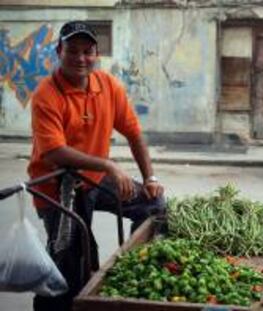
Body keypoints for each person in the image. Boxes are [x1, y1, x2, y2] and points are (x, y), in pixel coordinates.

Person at [28, 21, 165, 311]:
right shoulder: (46, 94)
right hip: (55, 187)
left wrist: (149, 177)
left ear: (96, 53)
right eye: (73, 51)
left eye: (87, 51)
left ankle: (134, 268)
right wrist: (109, 164)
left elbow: (134, 132)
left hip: (94, 179)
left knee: (153, 204)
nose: (81, 58)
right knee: (72, 264)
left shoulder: (107, 85)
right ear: (59, 51)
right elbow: (53, 152)